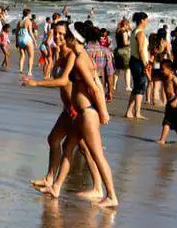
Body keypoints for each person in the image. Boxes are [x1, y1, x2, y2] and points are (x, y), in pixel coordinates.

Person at [22, 21, 103, 202]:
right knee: (54, 139)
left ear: (68, 36)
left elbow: (63, 81)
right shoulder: (61, 53)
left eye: (61, 34)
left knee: (85, 149)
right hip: (68, 109)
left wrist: (36, 83)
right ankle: (50, 178)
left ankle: (97, 187)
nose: (57, 36)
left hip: (76, 109)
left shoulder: (73, 55)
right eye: (55, 33)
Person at [40, 24, 119, 208]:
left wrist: (103, 112)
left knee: (97, 155)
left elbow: (93, 87)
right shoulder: (80, 56)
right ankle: (56, 187)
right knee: (68, 147)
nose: (64, 37)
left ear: (74, 39)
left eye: (67, 35)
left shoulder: (81, 60)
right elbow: (97, 82)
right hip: (81, 113)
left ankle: (111, 196)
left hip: (87, 113)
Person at [125, 11, 150, 120]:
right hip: (139, 61)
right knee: (140, 87)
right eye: (146, 20)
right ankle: (137, 112)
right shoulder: (140, 33)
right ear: (142, 20)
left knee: (136, 87)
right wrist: (145, 64)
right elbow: (140, 50)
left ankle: (129, 111)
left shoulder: (134, 31)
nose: (147, 22)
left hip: (134, 60)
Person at [157, 60, 177, 145]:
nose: (161, 71)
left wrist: (176, 101)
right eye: (161, 69)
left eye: (163, 69)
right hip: (170, 102)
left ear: (170, 69)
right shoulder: (165, 77)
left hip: (174, 101)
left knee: (167, 121)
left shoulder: (173, 78)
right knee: (175, 122)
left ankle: (162, 140)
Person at [112, 18, 132, 93]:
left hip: (117, 50)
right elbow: (125, 42)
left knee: (117, 69)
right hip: (125, 51)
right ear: (125, 24)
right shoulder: (124, 32)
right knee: (127, 69)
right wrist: (131, 40)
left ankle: (113, 85)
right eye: (128, 25)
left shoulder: (117, 31)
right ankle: (128, 86)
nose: (129, 26)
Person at [17, 8, 36, 76]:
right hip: (27, 39)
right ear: (28, 14)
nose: (30, 15)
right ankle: (29, 72)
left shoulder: (20, 21)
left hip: (20, 39)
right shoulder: (28, 21)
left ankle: (20, 70)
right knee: (31, 56)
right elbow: (30, 32)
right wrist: (34, 41)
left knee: (22, 56)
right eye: (30, 13)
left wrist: (17, 42)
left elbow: (17, 32)